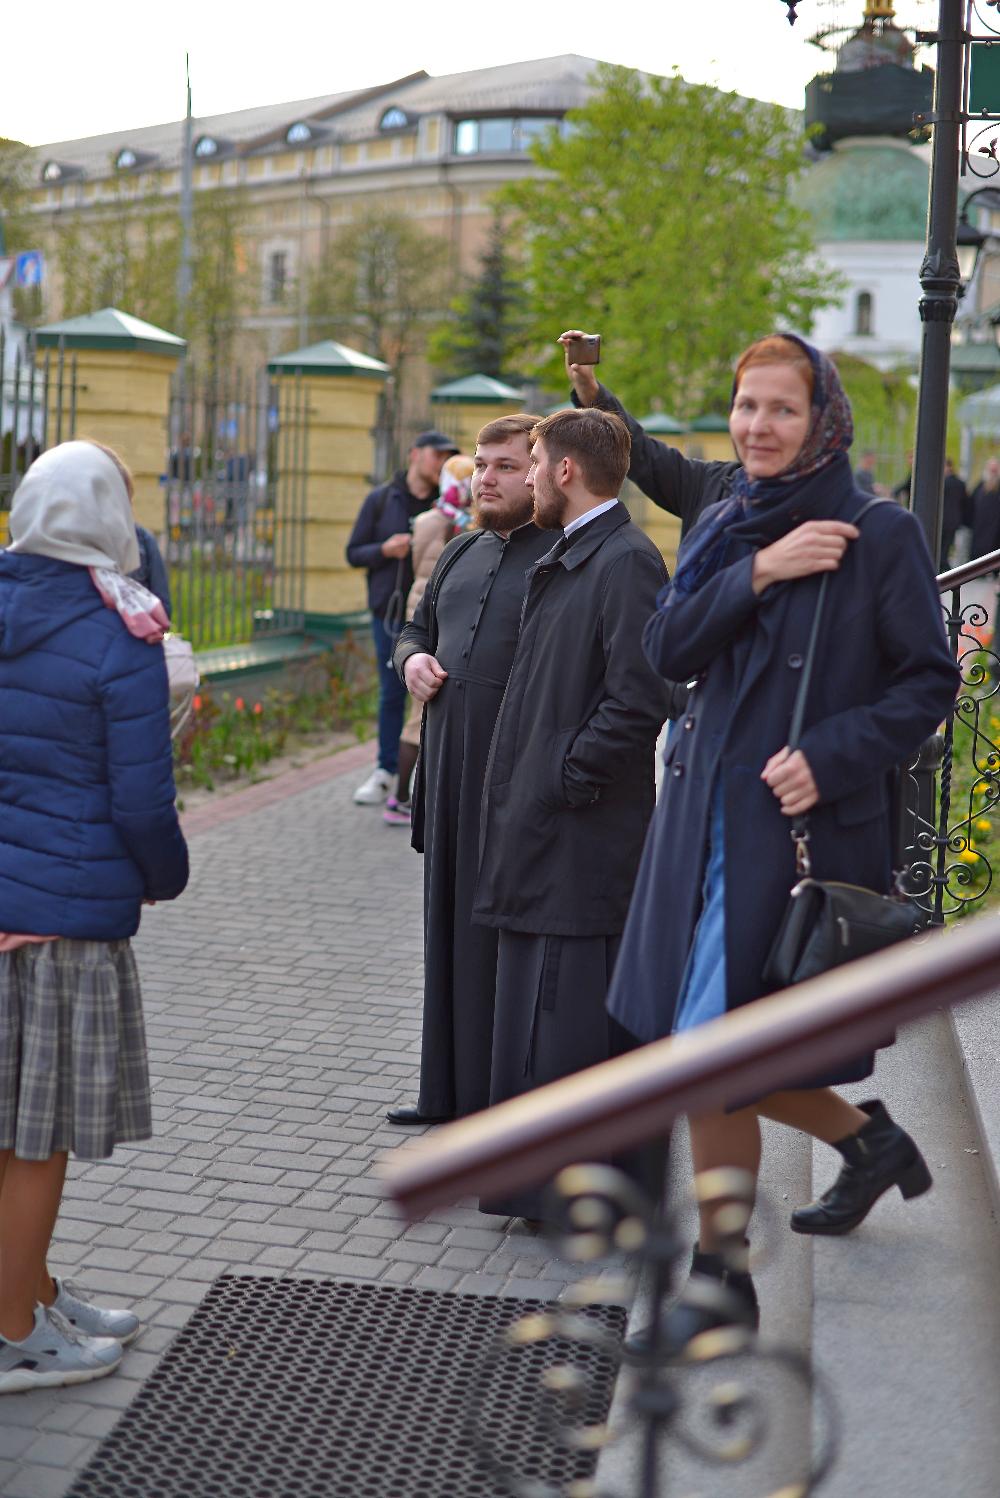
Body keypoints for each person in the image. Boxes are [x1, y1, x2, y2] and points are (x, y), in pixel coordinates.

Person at [606, 335, 959, 1352]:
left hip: (791, 833)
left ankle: (720, 1279)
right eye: (744, 406)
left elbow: (927, 682)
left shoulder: (876, 530)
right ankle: (869, 1141)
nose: (756, 427)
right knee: (710, 1049)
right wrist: (758, 569)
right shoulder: (724, 519)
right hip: (698, 830)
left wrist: (835, 753)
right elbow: (665, 646)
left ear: (822, 421)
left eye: (780, 410)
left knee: (710, 1058)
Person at [0, 440, 189, 1392]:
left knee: (6, 1125)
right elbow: (143, 807)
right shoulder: (123, 638)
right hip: (64, 925)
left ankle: (26, 1293)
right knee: (39, 1135)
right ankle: (13, 1336)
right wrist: (166, 877)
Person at [472, 409, 672, 1219]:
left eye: (536, 460)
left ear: (561, 471)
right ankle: (536, 1189)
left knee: (567, 1021)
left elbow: (638, 698)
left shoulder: (624, 561)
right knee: (535, 1014)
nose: (523, 476)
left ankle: (577, 1199)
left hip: (581, 836)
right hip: (546, 831)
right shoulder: (576, 553)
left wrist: (562, 778)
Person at [385, 417, 552, 1125]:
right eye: (482, 465)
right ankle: (442, 1094)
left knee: (497, 944)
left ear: (542, 474)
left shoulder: (560, 561)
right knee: (445, 930)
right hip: (447, 772)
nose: (486, 477)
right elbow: (412, 629)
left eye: (506, 466)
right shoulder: (458, 552)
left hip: (512, 782)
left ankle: (493, 1102)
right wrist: (411, 661)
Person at [346, 431, 459, 806]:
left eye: (448, 457)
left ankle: (417, 777)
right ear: (414, 455)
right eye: (436, 454)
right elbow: (353, 552)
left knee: (427, 693)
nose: (441, 462)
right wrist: (384, 549)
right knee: (393, 692)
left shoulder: (450, 507)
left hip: (434, 615)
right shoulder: (383, 499)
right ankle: (386, 769)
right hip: (391, 612)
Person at [385, 453, 475, 828]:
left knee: (418, 711)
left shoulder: (425, 521)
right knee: (423, 716)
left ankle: (405, 795)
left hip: (418, 613)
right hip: (447, 623)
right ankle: (403, 797)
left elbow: (413, 566)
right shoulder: (472, 525)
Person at [969, 456, 1000, 565]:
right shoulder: (980, 485)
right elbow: (971, 503)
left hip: (995, 526)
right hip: (980, 524)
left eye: (995, 469)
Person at [941, 456, 970, 571]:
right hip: (954, 520)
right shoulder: (960, 483)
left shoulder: (942, 483)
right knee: (947, 547)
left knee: (941, 548)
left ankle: (946, 569)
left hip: (942, 520)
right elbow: (965, 502)